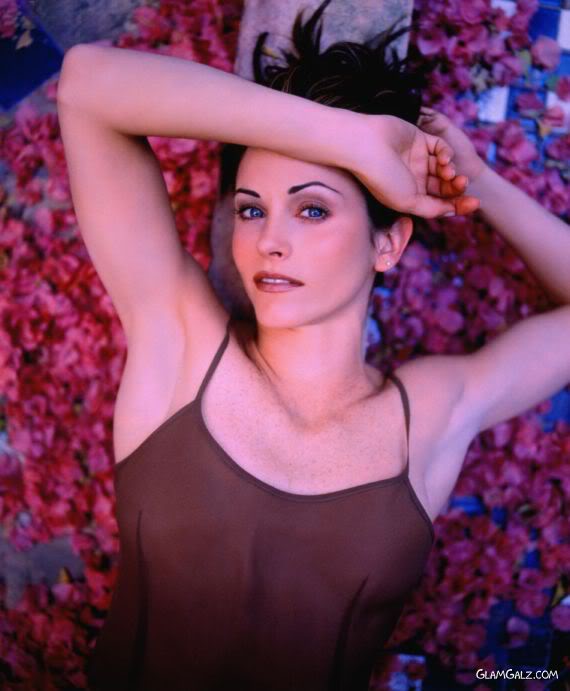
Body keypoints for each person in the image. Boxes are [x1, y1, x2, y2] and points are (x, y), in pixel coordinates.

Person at [56, 1, 570, 688]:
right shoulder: (180, 346)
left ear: (388, 243)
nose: (270, 239)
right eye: (251, 208)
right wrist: (347, 139)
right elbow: (88, 85)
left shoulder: (427, 416)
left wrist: (471, 182)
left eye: (313, 208)